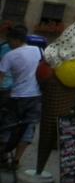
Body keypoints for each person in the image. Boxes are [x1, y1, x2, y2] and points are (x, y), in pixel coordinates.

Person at [0, 25, 41, 169]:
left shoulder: (10, 55)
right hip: (35, 96)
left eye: (9, 40)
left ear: (16, 40)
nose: (8, 44)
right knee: (28, 127)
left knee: (7, 126)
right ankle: (16, 161)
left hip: (17, 96)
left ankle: (3, 156)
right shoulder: (37, 50)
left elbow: (1, 77)